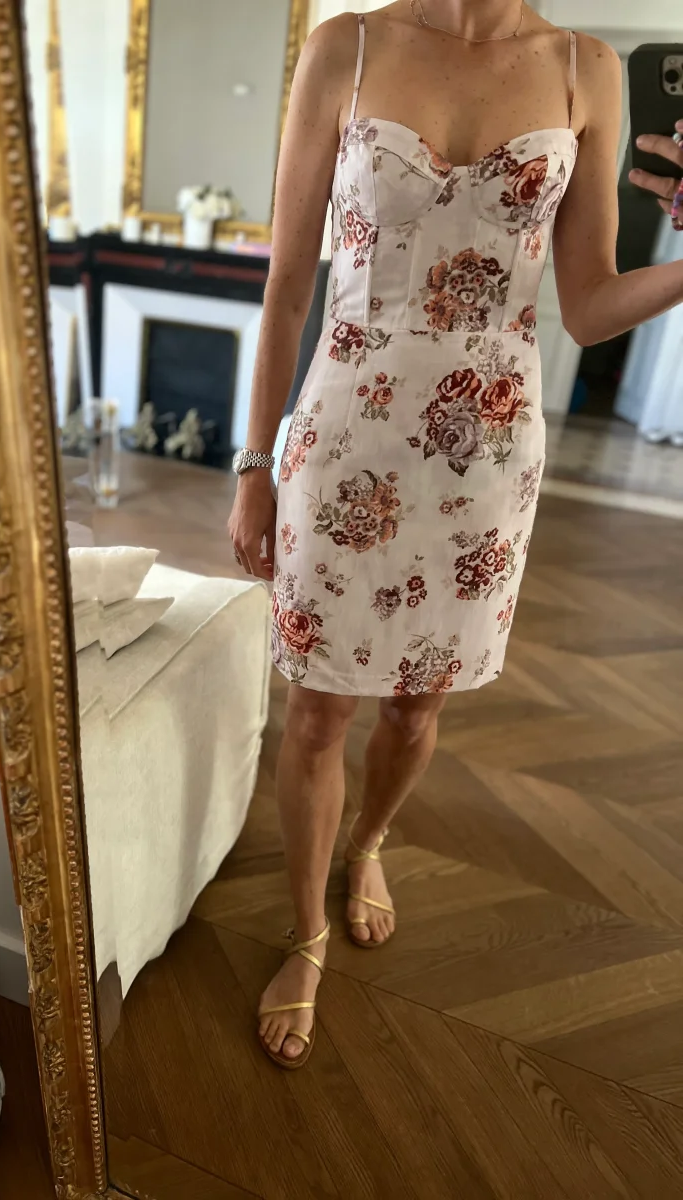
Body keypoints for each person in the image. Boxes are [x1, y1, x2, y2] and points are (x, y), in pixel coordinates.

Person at [227, 0, 683, 1069]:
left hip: (485, 452)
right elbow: (287, 285)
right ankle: (305, 931)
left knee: (418, 701)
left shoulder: (585, 69)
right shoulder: (347, 46)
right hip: (343, 432)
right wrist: (253, 467)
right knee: (316, 710)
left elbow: (588, 305)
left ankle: (370, 841)